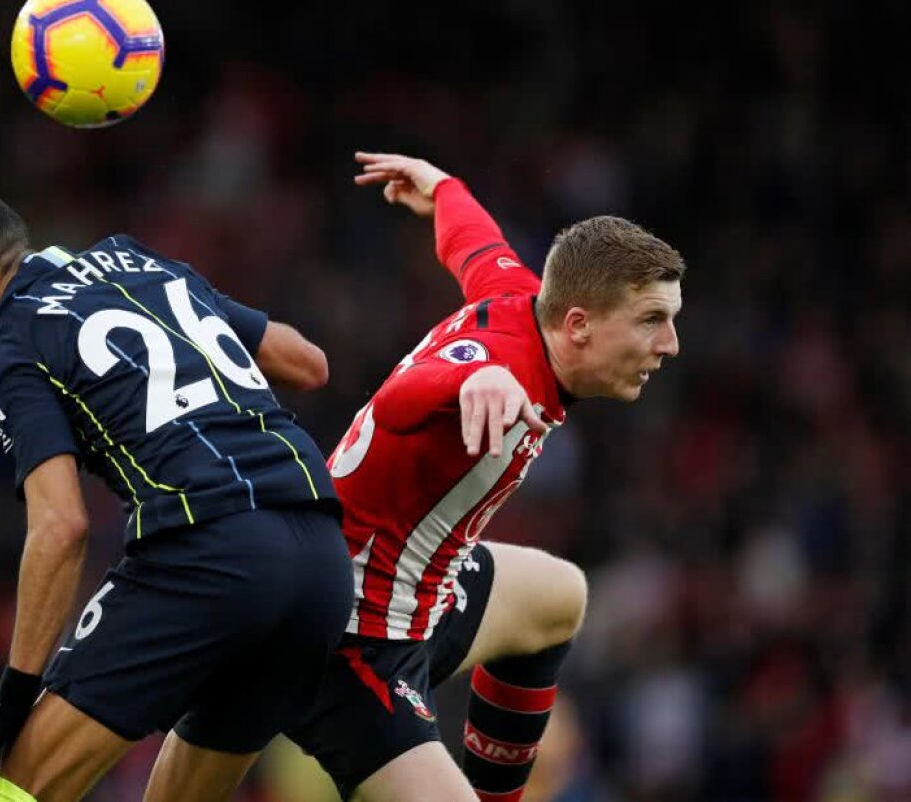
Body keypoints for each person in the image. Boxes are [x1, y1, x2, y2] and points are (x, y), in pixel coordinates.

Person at [148, 151, 685, 802]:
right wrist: (471, 377)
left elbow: (476, 246)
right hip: (350, 641)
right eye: (653, 319)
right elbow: (399, 403)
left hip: (419, 585)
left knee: (558, 594)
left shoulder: (520, 299)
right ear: (579, 325)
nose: (670, 343)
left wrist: (443, 188)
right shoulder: (501, 371)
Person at [0, 190, 354, 802]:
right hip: (321, 566)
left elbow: (61, 526)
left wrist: (12, 696)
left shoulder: (9, 338)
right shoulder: (136, 262)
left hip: (208, 548)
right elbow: (307, 363)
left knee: (8, 790)